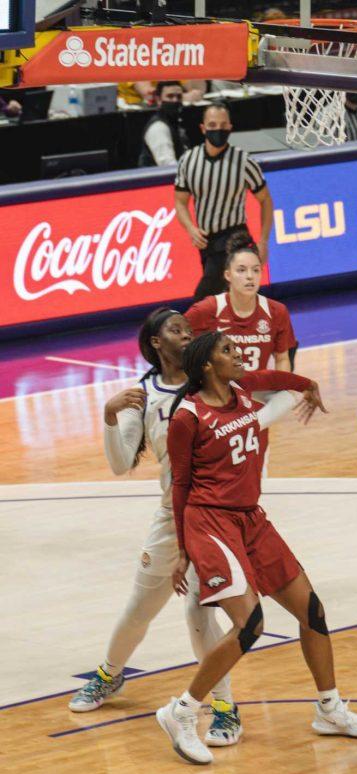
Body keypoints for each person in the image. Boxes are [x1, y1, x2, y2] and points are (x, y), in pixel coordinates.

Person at [68, 309, 297, 749]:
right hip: (172, 516)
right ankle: (109, 674)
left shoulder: (217, 385)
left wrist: (299, 385)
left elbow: (266, 406)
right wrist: (109, 416)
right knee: (142, 605)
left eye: (189, 329)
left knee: (200, 612)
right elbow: (119, 464)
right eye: (175, 330)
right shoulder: (143, 394)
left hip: (216, 517)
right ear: (156, 342)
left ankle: (225, 707)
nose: (186, 334)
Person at [157, 332, 357, 765]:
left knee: (311, 611)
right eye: (227, 352)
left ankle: (329, 709)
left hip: (251, 518)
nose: (237, 356)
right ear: (206, 366)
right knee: (251, 623)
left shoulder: (241, 389)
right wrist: (184, 551)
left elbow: (273, 375)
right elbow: (181, 485)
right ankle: (181, 712)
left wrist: (307, 384)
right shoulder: (187, 417)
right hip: (210, 522)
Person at [174, 103, 274, 302]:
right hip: (206, 241)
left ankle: (191, 329)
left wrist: (263, 241)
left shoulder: (244, 161)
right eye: (212, 125)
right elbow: (180, 202)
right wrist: (191, 229)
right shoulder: (188, 160)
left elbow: (266, 201)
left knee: (205, 298)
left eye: (222, 125)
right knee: (226, 299)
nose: (217, 130)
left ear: (229, 127)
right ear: (203, 128)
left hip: (234, 236)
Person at [185, 232, 297, 373]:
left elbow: (282, 359)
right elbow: (179, 342)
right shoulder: (207, 309)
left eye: (256, 270)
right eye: (241, 270)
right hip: (221, 392)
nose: (250, 276)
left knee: (287, 396)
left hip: (259, 390)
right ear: (228, 275)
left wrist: (284, 389)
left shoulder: (277, 311)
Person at [139, 82, 189, 167]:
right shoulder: (158, 128)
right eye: (170, 96)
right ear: (159, 99)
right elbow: (168, 166)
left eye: (179, 97)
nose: (175, 100)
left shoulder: (174, 123)